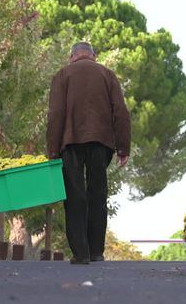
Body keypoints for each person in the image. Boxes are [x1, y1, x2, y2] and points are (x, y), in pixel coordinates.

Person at [47, 42, 131, 264]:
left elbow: (56, 113)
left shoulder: (62, 75)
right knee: (97, 194)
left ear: (71, 56)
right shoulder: (107, 74)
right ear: (94, 55)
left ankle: (80, 253)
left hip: (71, 141)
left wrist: (53, 150)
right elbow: (121, 111)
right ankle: (96, 251)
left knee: (75, 196)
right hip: (101, 142)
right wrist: (123, 147)